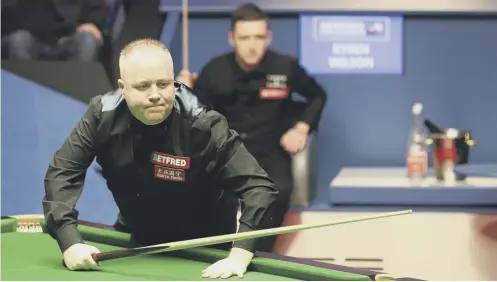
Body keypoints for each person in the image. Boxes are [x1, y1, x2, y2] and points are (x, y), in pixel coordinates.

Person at [42, 38, 278, 279]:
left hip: (205, 245)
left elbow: (259, 188)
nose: (155, 95)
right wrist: (69, 241)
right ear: (123, 87)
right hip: (137, 237)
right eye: (143, 86)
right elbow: (63, 172)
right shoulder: (101, 115)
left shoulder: (202, 124)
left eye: (163, 84)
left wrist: (240, 255)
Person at [176, 3, 327, 252]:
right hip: (225, 149)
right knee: (211, 195)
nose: (252, 44)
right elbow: (194, 114)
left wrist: (301, 128)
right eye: (245, 37)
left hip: (269, 149)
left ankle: (256, 254)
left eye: (258, 36)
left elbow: (317, 96)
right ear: (232, 39)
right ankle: (220, 253)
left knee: (279, 190)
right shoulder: (214, 71)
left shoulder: (284, 67)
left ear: (268, 37)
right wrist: (184, 90)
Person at [1, 0, 107, 61]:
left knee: (87, 41)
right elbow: (9, 15)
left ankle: (74, 95)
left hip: (69, 40)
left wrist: (92, 25)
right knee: (18, 40)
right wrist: (74, 26)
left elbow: (97, 12)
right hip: (30, 40)